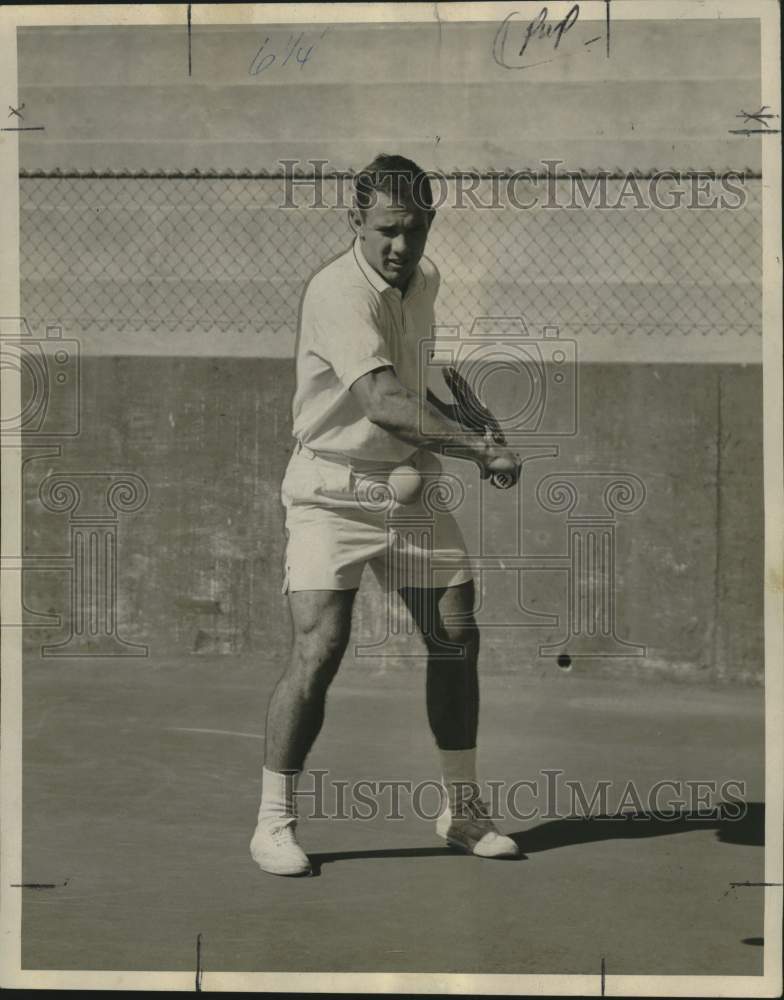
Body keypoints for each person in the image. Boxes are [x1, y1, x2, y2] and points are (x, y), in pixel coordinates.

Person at [250, 153, 522, 876]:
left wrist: (471, 421)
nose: (401, 247)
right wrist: (476, 451)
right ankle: (272, 824)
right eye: (386, 232)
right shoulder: (338, 293)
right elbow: (381, 402)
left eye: (415, 229)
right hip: (329, 492)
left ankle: (461, 812)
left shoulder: (422, 280)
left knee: (456, 632)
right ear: (356, 223)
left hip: (406, 485)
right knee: (321, 646)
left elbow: (414, 380)